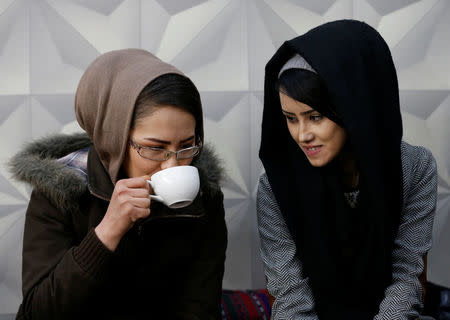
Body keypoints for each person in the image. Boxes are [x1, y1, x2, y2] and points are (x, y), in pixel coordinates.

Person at [9, 49, 227, 319]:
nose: (172, 166)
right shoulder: (60, 191)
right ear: (114, 137)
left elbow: (199, 308)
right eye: (154, 148)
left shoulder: (203, 199)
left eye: (186, 146)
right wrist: (106, 233)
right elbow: (37, 313)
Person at [257, 20, 437, 320]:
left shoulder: (415, 169)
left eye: (315, 117)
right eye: (290, 118)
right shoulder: (277, 186)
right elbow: (289, 295)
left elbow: (407, 280)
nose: (302, 135)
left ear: (355, 105)